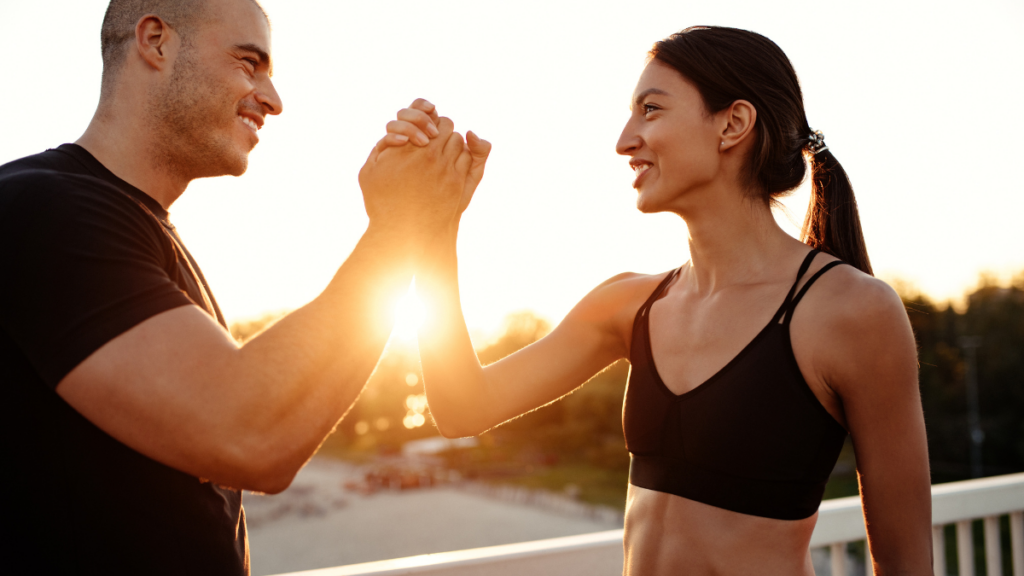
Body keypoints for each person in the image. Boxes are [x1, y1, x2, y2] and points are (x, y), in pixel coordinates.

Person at [380, 26, 932, 575]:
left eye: (651, 109)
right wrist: (435, 223)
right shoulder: (627, 305)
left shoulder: (852, 311)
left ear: (733, 124)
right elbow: (460, 407)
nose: (624, 140)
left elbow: (907, 563)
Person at [0, 0, 489, 573]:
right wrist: (400, 225)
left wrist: (420, 225)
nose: (274, 100)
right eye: (248, 63)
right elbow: (252, 437)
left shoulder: (136, 230)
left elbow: (262, 429)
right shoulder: (42, 208)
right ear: (156, 41)